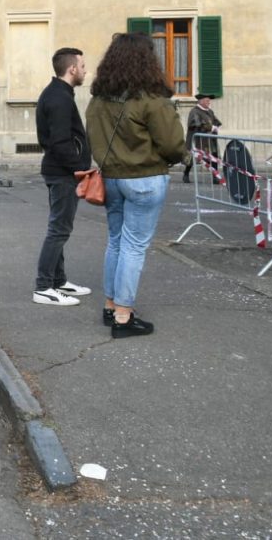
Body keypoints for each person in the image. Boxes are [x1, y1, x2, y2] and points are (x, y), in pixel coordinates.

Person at [85, 33, 185, 339]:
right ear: (147, 60)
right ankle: (124, 318)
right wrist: (182, 156)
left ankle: (111, 304)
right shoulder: (152, 100)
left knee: (116, 241)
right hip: (144, 178)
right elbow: (173, 145)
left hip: (112, 178)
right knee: (133, 246)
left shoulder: (98, 101)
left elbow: (94, 138)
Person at [32, 47, 94, 307]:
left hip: (60, 172)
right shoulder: (59, 98)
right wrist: (78, 167)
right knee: (59, 229)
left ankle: (58, 280)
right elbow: (59, 141)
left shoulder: (58, 93)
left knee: (59, 227)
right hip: (63, 173)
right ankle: (44, 286)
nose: (85, 70)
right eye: (82, 65)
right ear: (71, 69)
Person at [182, 93, 222, 183]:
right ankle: (186, 173)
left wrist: (215, 126)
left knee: (213, 157)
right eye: (207, 100)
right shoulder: (194, 111)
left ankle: (215, 177)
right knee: (192, 159)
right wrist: (210, 127)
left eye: (209, 100)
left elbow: (216, 122)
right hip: (197, 141)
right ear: (201, 101)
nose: (209, 102)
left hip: (209, 140)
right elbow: (196, 124)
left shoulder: (210, 111)